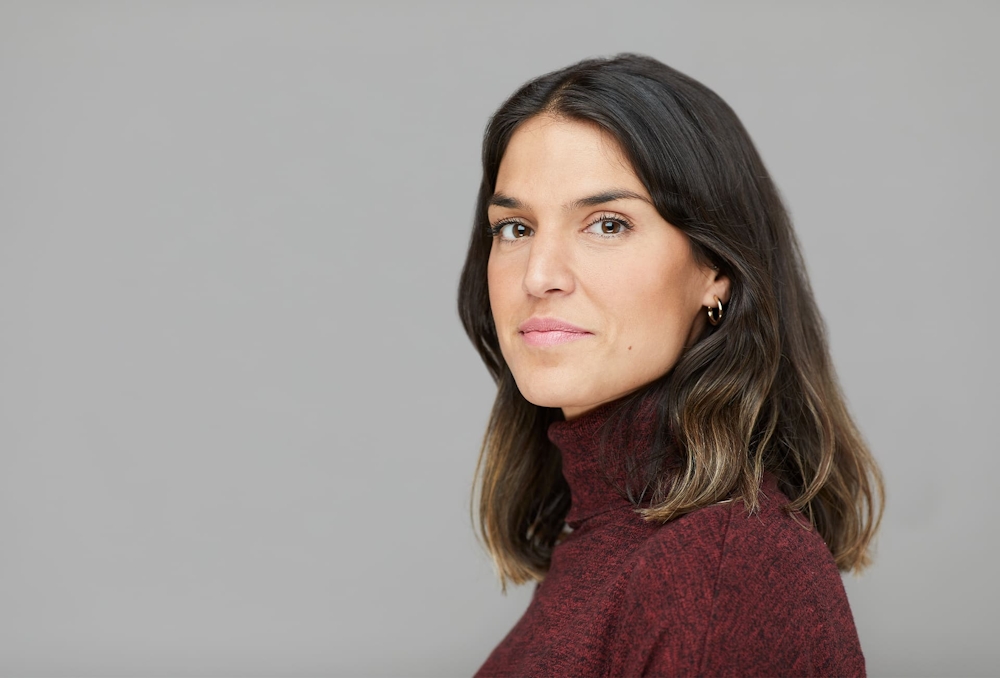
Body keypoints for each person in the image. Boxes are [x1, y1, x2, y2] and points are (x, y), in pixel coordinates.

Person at [456, 53, 884, 677]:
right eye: (515, 228)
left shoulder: (724, 567)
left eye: (606, 224)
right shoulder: (615, 541)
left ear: (717, 270)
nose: (539, 275)